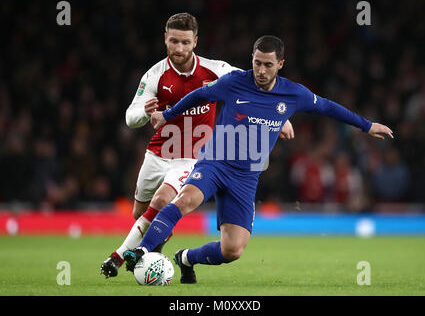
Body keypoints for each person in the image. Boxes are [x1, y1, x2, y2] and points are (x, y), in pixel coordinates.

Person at [122, 35, 393, 284]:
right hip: (215, 162)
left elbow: (326, 106)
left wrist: (366, 125)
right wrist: (167, 116)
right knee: (185, 200)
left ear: (281, 64)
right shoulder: (233, 82)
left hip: (246, 176)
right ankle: (142, 251)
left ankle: (185, 258)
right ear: (251, 59)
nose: (261, 71)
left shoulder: (293, 94)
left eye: (268, 65)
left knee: (232, 250)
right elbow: (200, 95)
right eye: (257, 63)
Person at [100, 15, 295, 278]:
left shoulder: (216, 69)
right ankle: (153, 255)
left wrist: (282, 115)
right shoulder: (155, 75)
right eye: (173, 41)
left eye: (184, 42)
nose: (179, 48)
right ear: (165, 39)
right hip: (158, 152)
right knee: (140, 214)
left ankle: (123, 258)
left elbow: (257, 84)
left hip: (192, 157)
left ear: (195, 42)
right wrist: (144, 114)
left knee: (162, 201)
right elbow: (130, 117)